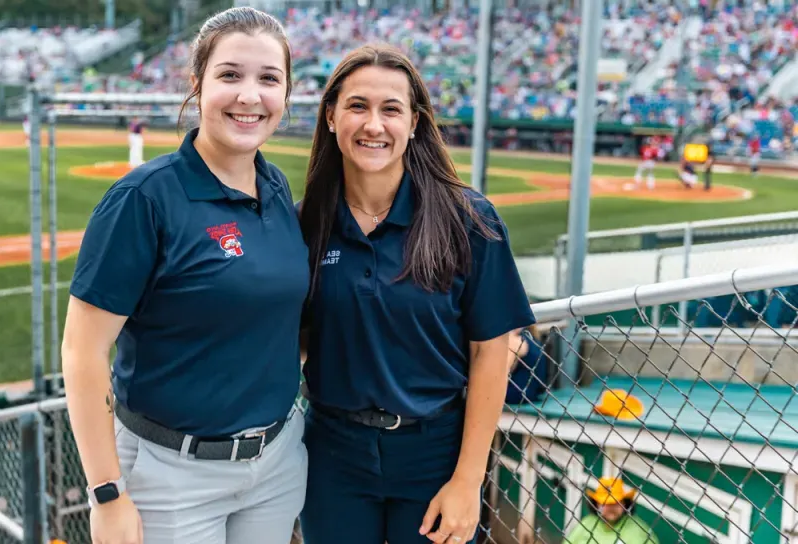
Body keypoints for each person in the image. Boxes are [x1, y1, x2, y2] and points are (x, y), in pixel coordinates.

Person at [60, 7, 309, 544]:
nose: (250, 95)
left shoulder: (278, 189)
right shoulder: (142, 200)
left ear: (286, 93)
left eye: (269, 79)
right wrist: (107, 494)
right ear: (197, 86)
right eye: (230, 75)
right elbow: (82, 352)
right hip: (170, 475)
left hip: (277, 462)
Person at [297, 44, 536, 544]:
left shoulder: (467, 219)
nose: (373, 125)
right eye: (358, 106)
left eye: (391, 109)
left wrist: (468, 481)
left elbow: (491, 350)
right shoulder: (304, 222)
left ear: (415, 123)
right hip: (332, 455)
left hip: (435, 452)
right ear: (331, 116)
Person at [564, 477, 658, 544]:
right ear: (596, 504)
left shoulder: (639, 532)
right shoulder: (586, 523)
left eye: (616, 503)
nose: (611, 508)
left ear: (625, 504)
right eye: (606, 503)